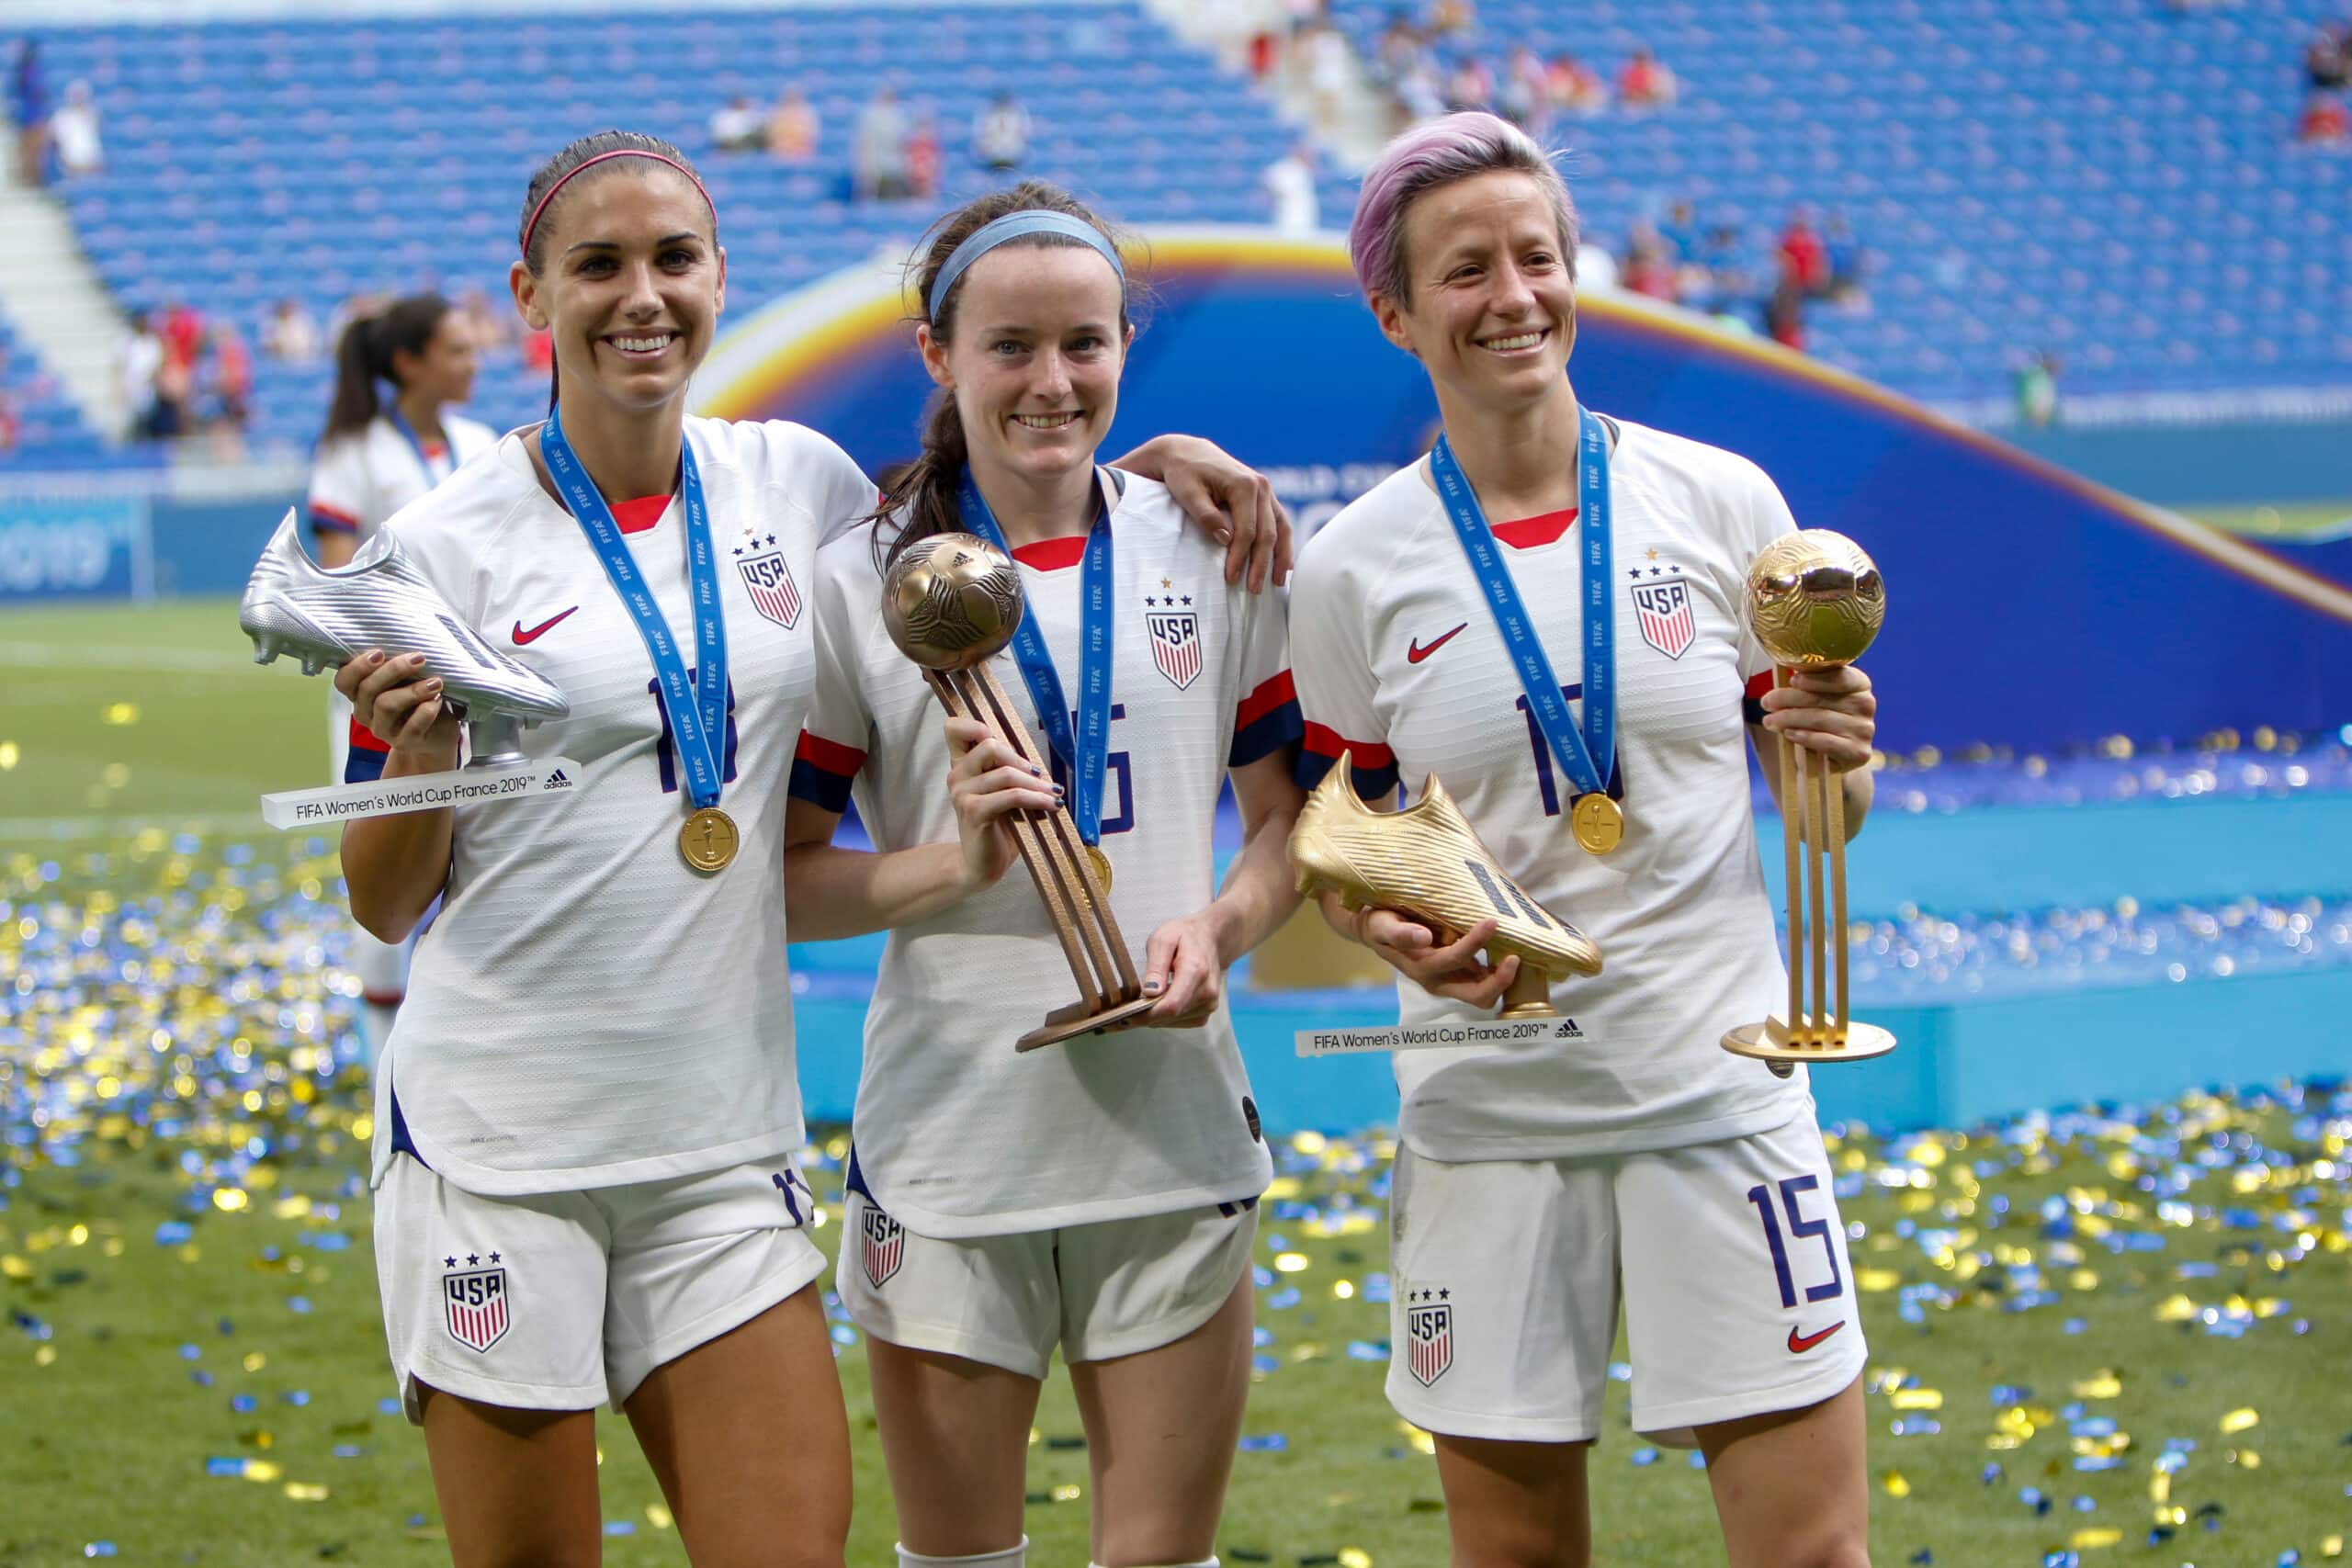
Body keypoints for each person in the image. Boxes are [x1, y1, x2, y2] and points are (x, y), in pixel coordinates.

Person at [332, 129, 1291, 1568]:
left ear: (720, 278)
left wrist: (1157, 459)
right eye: (598, 264)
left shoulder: (801, 486)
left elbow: (1005, 487)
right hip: (499, 1133)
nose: (641, 295)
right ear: (530, 295)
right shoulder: (433, 547)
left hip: (721, 1137)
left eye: (674, 259)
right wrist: (417, 763)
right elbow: (386, 899)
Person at [1290, 112, 1877, 1568]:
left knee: (1810, 1551)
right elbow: (1349, 838)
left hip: (1719, 1096)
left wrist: (1838, 762)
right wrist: (1392, 924)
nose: (1513, 296)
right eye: (1467, 269)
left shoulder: (1721, 500)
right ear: (1397, 313)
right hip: (1492, 1124)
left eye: (1537, 257)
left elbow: (1824, 815)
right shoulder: (1354, 565)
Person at [783, 180, 1304, 1568]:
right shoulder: (858, 583)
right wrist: (948, 867)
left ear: (1128, 344)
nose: (1051, 381)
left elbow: (1285, 822)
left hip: (1172, 1130)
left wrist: (1221, 924)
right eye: (1009, 346)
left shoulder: (1215, 540)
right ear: (937, 356)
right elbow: (782, 883)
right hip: (952, 1141)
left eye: (1086, 342)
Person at [309, 295, 493, 1060]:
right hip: (383, 694)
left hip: (478, 692)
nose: (471, 362)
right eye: (454, 350)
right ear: (409, 363)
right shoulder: (353, 450)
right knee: (385, 848)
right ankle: (382, 1050)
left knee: (473, 850)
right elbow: (335, 572)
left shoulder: (483, 442)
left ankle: (460, 1031)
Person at [854, 84, 910, 201]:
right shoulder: (872, 116)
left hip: (896, 168)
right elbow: (865, 144)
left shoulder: (899, 116)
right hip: (876, 168)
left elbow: (904, 142)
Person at [1263, 138, 1319, 234]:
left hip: (1305, 220)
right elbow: (1269, 178)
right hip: (1287, 217)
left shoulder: (1306, 172)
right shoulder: (1285, 168)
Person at [49, 78, 99, 177]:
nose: (79, 99)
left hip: (92, 164)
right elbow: (55, 142)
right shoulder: (61, 116)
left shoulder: (92, 114)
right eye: (76, 95)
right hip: (70, 166)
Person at [973, 89, 1030, 175]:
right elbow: (979, 136)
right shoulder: (989, 116)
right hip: (991, 154)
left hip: (1013, 153)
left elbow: (1025, 134)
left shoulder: (1015, 116)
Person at [767, 86, 819, 163]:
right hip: (782, 155)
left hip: (802, 156)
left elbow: (809, 139)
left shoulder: (806, 116)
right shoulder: (777, 116)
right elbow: (774, 140)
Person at [265, 298, 322, 364]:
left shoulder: (304, 322)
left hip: (302, 360)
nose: (287, 310)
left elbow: (313, 345)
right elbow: (267, 348)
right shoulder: (271, 324)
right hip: (279, 361)